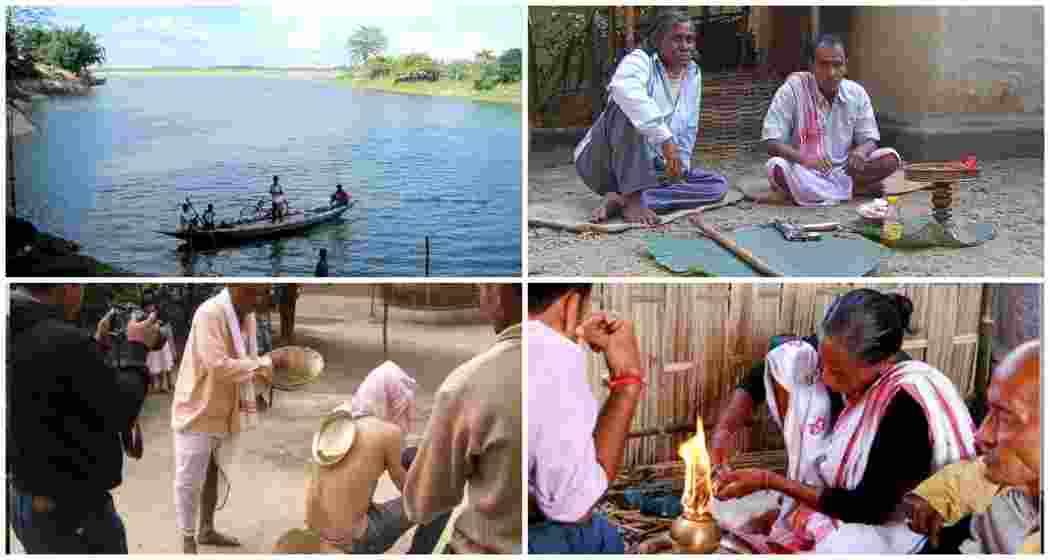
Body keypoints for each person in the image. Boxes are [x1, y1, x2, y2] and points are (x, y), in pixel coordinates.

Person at [714, 289, 976, 554]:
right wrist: (724, 431)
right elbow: (761, 375)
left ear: (884, 363)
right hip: (863, 505)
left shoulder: (907, 403)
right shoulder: (840, 347)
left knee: (835, 542)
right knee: (795, 360)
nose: (826, 378)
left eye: (838, 372)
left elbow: (868, 509)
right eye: (824, 364)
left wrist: (768, 480)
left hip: (910, 528)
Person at [8, 284, 164, 553]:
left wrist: (96, 347)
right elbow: (119, 410)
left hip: (25, 500)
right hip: (72, 512)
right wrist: (137, 350)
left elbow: (60, 391)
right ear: (68, 286)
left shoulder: (19, 328)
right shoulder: (64, 340)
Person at [574, 9, 728, 225]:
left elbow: (689, 125)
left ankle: (624, 198)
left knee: (716, 185)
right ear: (658, 40)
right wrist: (665, 139)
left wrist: (680, 166)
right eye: (677, 39)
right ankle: (634, 199)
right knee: (625, 106)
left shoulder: (693, 73)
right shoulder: (640, 60)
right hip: (604, 162)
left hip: (651, 167)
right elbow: (623, 88)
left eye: (690, 39)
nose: (685, 46)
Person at [403, 284, 523, 553]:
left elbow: (421, 504)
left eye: (481, 288)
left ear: (497, 293)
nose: (480, 299)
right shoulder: (573, 369)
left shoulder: (467, 383)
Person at [527, 284, 644, 553]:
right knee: (598, 534)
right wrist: (628, 380)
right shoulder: (554, 356)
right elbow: (573, 506)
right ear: (570, 305)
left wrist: (568, 334)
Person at [171, 285, 287, 554]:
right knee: (188, 480)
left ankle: (206, 529)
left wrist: (265, 373)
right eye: (253, 293)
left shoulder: (246, 316)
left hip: (226, 408)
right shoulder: (209, 314)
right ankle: (188, 541)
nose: (258, 301)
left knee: (214, 470)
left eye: (262, 294)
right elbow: (218, 365)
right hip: (198, 408)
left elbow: (248, 361)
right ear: (234, 288)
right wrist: (266, 365)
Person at [902, 340, 1041, 554]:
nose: (981, 434)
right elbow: (978, 474)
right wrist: (935, 496)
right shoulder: (1013, 478)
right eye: (990, 411)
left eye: (1005, 417)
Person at [304, 361, 444, 553]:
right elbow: (409, 493)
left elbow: (347, 478)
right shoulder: (388, 433)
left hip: (316, 534)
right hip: (353, 542)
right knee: (440, 498)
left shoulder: (338, 416)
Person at [760, 34, 901, 206]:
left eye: (837, 65)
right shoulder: (792, 90)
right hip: (804, 170)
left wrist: (860, 152)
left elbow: (870, 139)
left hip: (845, 171)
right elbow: (771, 142)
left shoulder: (856, 93)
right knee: (776, 168)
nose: (831, 73)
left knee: (890, 159)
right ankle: (854, 190)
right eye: (823, 65)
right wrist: (805, 159)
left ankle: (813, 193)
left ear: (845, 65)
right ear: (812, 65)